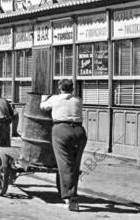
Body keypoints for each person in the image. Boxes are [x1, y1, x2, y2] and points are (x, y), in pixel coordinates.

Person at [40, 79, 87, 212]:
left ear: (60, 88)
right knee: (75, 166)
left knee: (65, 165)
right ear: (72, 89)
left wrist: (44, 97)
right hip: (79, 132)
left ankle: (70, 199)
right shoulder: (78, 99)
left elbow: (43, 107)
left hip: (61, 131)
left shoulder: (55, 99)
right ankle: (71, 194)